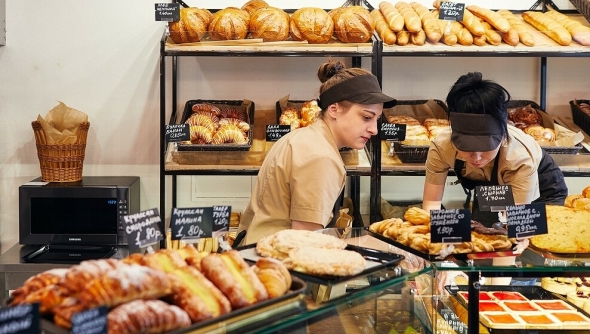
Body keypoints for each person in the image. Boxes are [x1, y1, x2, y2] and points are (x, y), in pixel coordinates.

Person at [235, 60, 396, 245]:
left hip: (258, 252)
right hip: (276, 263)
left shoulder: (302, 137)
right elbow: (306, 245)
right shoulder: (320, 158)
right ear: (334, 109)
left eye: (376, 119)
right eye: (366, 117)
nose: (374, 130)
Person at [422, 72, 567, 227]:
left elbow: (517, 222)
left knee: (527, 241)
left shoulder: (519, 157)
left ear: (502, 136)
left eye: (485, 147)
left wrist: (514, 238)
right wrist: (431, 235)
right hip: (492, 191)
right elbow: (431, 205)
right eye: (466, 148)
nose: (476, 158)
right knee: (481, 232)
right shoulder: (441, 147)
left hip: (542, 190)